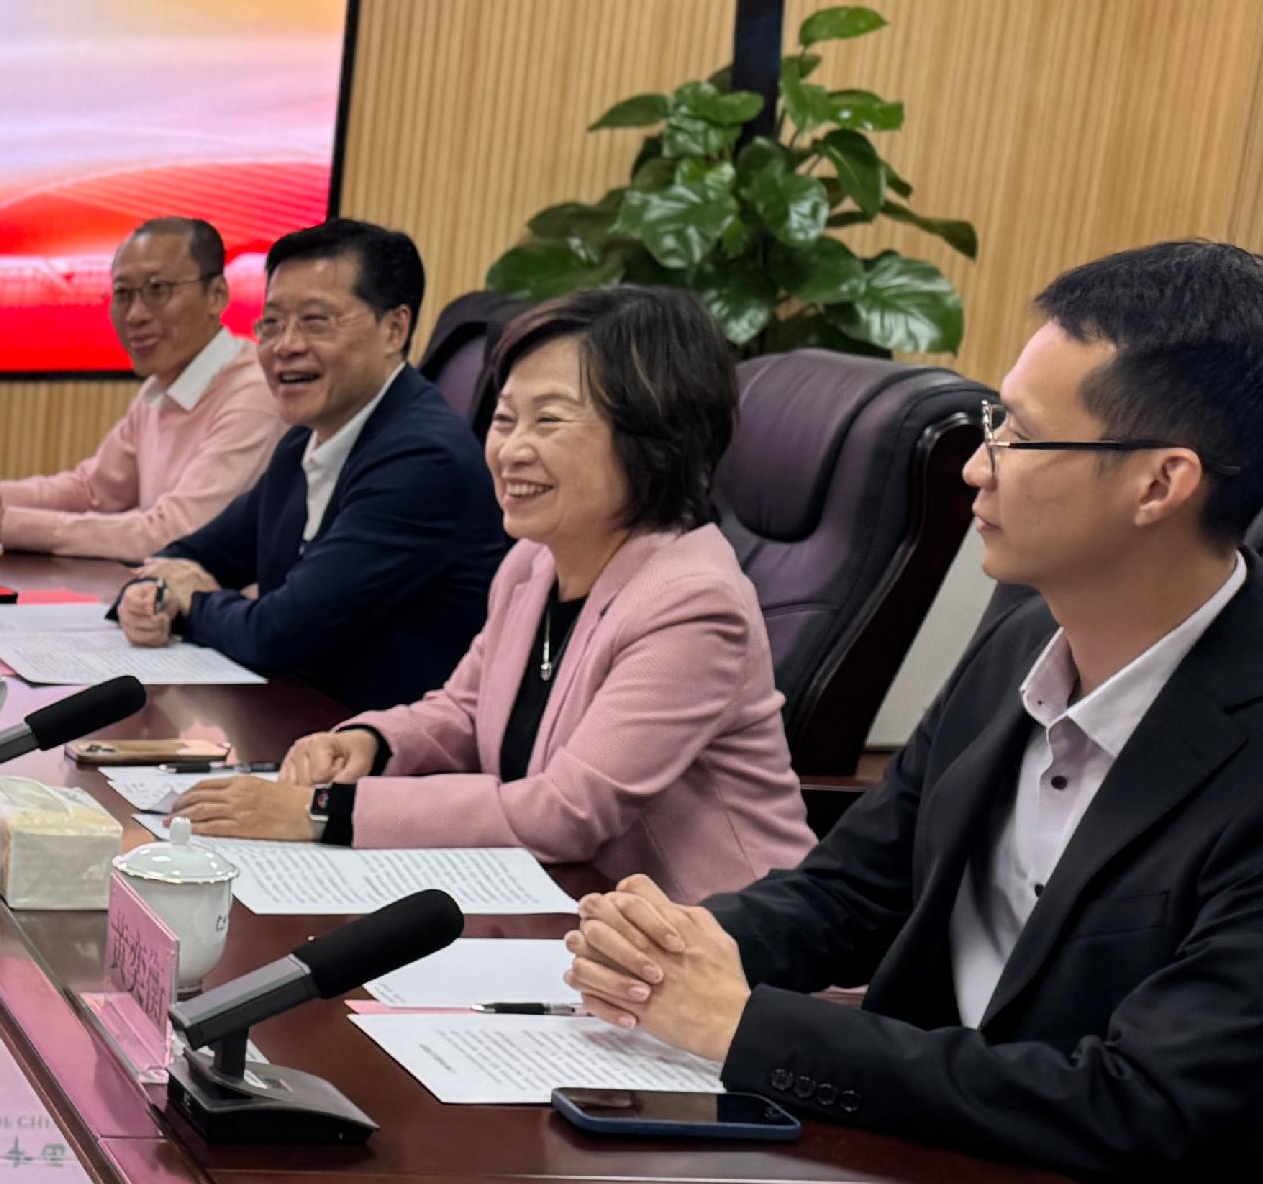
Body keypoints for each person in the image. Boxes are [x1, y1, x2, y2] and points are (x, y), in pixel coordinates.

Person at [571, 241, 1263, 1184]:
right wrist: (684, 941)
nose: (978, 464)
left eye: (1021, 435)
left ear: (1160, 482)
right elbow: (858, 889)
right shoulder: (1016, 640)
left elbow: (1140, 1103)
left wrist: (746, 1023)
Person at [179, 286, 813, 896]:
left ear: (653, 439)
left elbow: (567, 811)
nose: (511, 449)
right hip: (565, 906)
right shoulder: (534, 562)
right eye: (505, 420)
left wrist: (325, 811)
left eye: (549, 421)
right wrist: (370, 742)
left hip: (718, 943)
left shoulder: (692, 603)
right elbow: (465, 710)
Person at [117, 218, 502, 710]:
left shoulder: (423, 460)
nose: (285, 345)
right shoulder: (305, 439)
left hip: (384, 760)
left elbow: (277, 634)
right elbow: (190, 554)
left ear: (394, 328)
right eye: (272, 323)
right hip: (294, 728)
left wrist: (189, 601)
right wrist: (149, 595)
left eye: (316, 321)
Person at [0, 218, 279, 561]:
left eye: (158, 289)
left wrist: (5, 524)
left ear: (217, 295)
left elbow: (175, 534)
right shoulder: (161, 385)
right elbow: (94, 490)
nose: (135, 315)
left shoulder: (253, 396)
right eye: (124, 294)